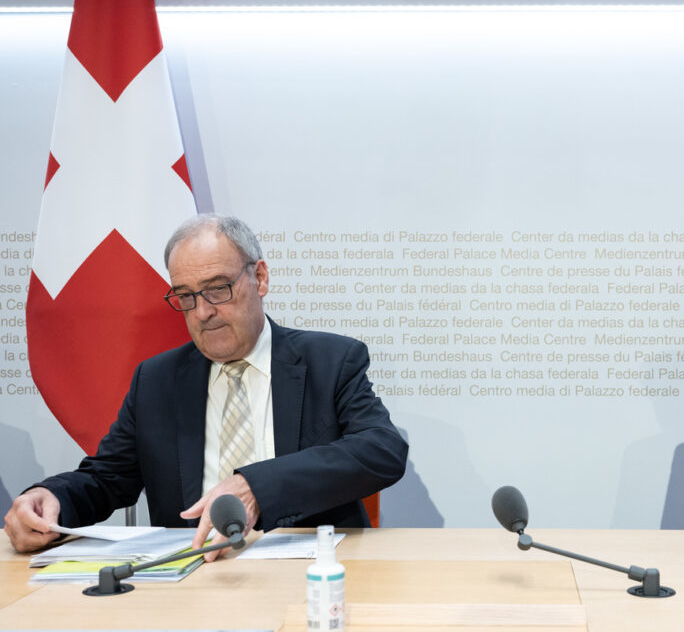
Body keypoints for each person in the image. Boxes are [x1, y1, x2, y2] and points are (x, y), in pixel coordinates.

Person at [4, 214, 408, 559]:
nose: (202, 312)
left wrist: (255, 487)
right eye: (185, 296)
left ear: (260, 278)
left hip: (308, 569)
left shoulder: (330, 360)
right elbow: (107, 479)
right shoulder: (157, 380)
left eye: (217, 289)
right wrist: (51, 499)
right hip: (194, 574)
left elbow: (381, 449)